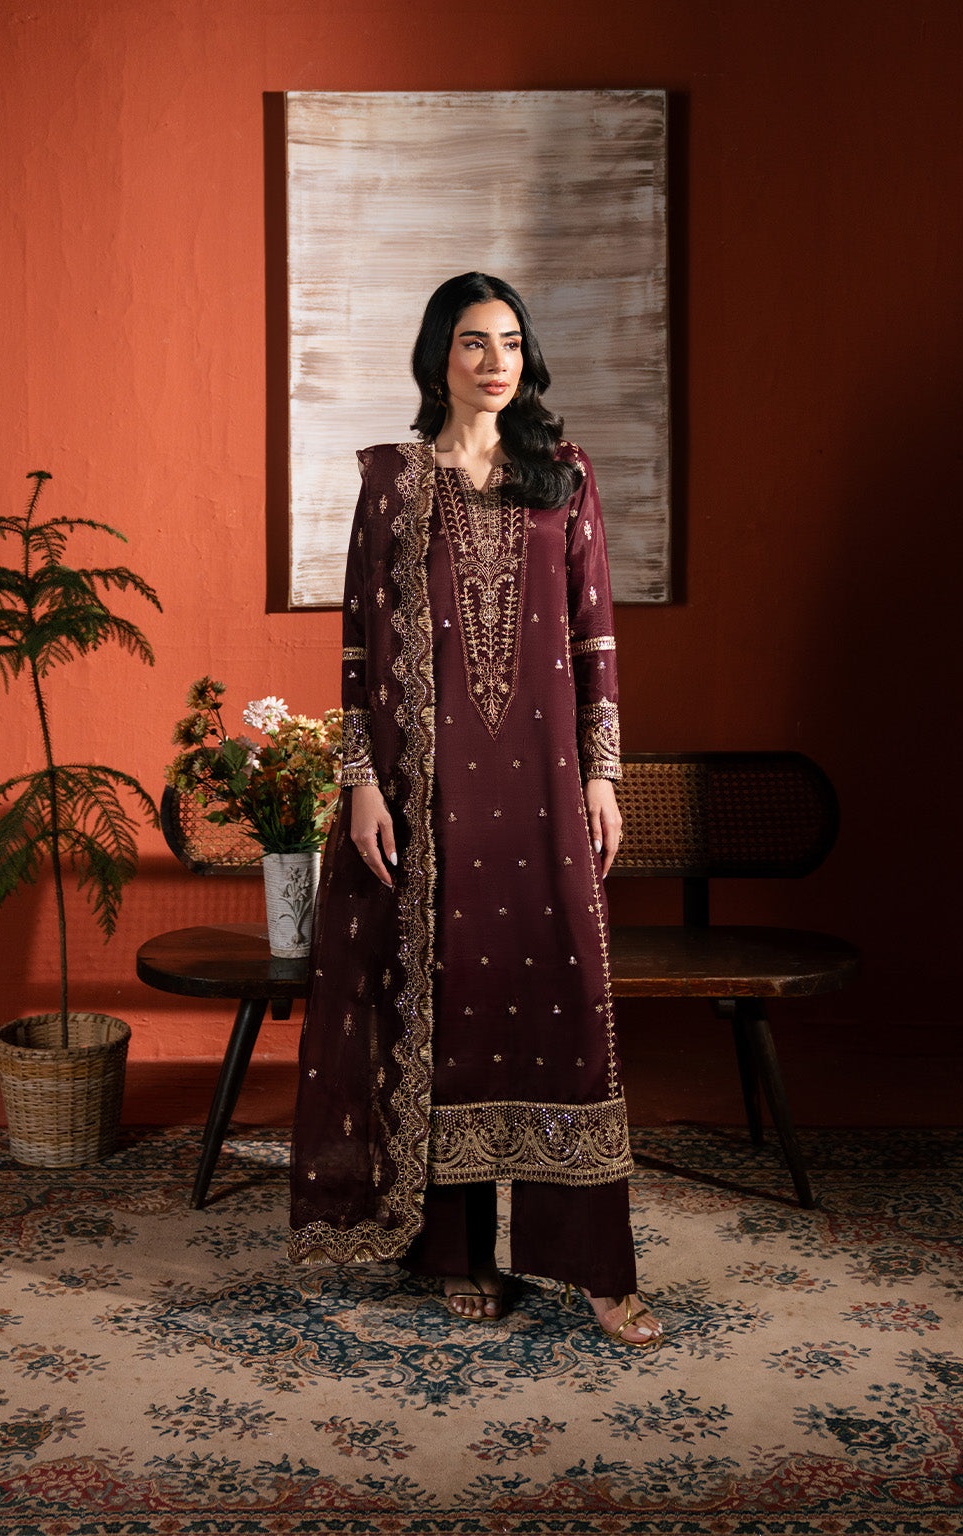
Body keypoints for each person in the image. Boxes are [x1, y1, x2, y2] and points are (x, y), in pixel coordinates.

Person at [288, 272, 662, 1348]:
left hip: (544, 786)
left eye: (509, 342)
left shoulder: (564, 476)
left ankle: (592, 1262)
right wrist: (363, 779)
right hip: (430, 787)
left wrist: (602, 773)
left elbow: (594, 633)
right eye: (472, 342)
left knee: (563, 999)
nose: (495, 361)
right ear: (437, 358)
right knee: (446, 1006)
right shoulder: (394, 480)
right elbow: (357, 647)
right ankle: (455, 1250)